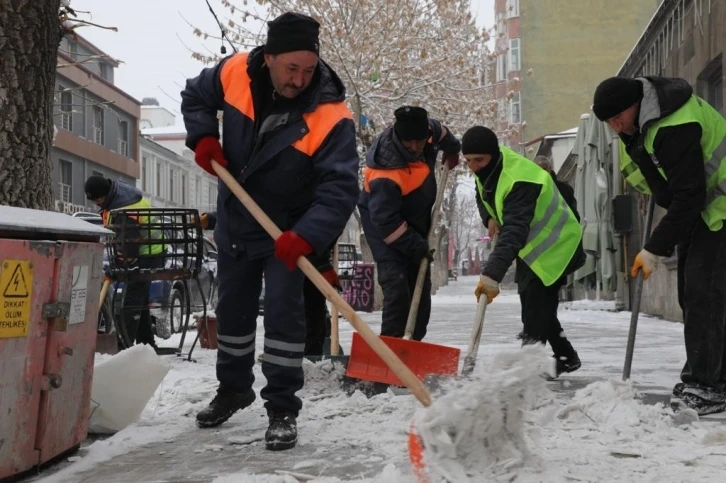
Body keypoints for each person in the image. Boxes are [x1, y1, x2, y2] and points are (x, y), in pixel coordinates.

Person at [180, 12, 359, 450]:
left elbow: (339, 188)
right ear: (269, 58)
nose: (299, 79)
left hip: (287, 231)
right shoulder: (234, 71)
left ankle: (281, 407)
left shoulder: (331, 113)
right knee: (235, 312)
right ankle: (233, 388)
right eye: (290, 68)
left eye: (308, 70)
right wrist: (203, 136)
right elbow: (195, 96)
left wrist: (307, 235)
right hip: (239, 219)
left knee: (283, 316)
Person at [592, 75, 726, 415]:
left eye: (616, 118)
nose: (614, 127)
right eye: (608, 121)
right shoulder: (641, 127)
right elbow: (667, 188)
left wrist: (653, 248)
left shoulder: (674, 126)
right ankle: (705, 376)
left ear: (634, 106)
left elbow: (688, 195)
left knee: (703, 292)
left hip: (719, 205)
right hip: (704, 207)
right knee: (693, 293)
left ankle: (709, 385)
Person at [463, 126, 585, 378]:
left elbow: (515, 231)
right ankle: (566, 356)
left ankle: (524, 375)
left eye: (479, 160)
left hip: (557, 246)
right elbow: (480, 192)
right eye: (468, 161)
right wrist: (489, 218)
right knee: (535, 306)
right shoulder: (488, 169)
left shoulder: (519, 179)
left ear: (493, 155)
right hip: (532, 249)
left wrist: (492, 274)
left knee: (535, 312)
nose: (474, 167)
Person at [358, 106, 461, 341]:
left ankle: (413, 346)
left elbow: (442, 133)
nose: (415, 148)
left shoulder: (428, 131)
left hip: (413, 218)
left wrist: (453, 148)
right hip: (385, 231)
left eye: (420, 141)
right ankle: (391, 353)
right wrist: (417, 246)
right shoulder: (386, 172)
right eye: (408, 143)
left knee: (420, 292)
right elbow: (386, 223)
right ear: (398, 136)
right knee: (398, 292)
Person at [199, 212, 341, 356]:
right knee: (285, 306)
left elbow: (326, 219)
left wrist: (321, 262)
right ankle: (292, 356)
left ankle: (310, 355)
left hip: (306, 246)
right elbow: (252, 207)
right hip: (282, 247)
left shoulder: (328, 204)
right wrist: (214, 219)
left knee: (311, 306)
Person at [84, 175, 165, 352]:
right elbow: (123, 243)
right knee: (139, 297)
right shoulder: (118, 198)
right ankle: (146, 343)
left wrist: (116, 267)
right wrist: (115, 265)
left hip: (149, 254)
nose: (96, 203)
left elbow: (128, 248)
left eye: (98, 198)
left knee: (131, 300)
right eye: (93, 200)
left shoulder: (125, 210)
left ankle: (122, 345)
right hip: (148, 251)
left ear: (107, 194)